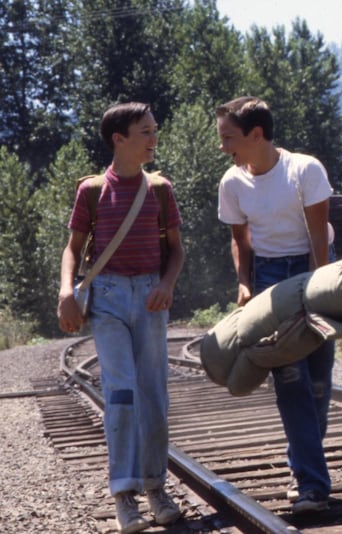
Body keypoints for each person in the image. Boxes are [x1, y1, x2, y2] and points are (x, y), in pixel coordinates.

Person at [57, 102, 185, 534]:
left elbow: (177, 250)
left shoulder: (161, 189)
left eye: (154, 130)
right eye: (145, 132)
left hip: (150, 298)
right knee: (123, 394)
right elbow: (74, 249)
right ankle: (124, 496)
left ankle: (156, 489)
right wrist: (66, 291)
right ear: (119, 139)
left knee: (154, 397)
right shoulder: (92, 191)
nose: (153, 139)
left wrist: (167, 284)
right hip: (108, 299)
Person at [215, 96, 335, 513]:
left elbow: (318, 237)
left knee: (317, 381)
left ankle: (303, 463)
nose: (223, 147)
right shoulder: (232, 182)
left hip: (313, 268)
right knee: (289, 378)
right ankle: (312, 484)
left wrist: (320, 292)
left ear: (256, 134)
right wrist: (244, 283)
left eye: (228, 138)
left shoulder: (304, 169)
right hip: (268, 278)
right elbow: (240, 240)